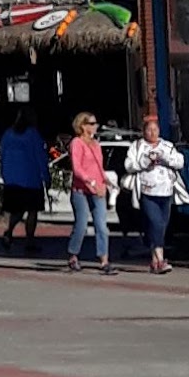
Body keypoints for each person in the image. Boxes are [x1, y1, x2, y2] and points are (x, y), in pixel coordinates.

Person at [130, 106, 187, 273]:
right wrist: (146, 162)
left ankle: (154, 261)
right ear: (144, 132)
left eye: (155, 130)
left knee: (162, 225)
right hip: (148, 191)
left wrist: (165, 158)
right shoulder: (138, 147)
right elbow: (130, 165)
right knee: (156, 223)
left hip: (166, 191)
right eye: (149, 130)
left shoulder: (167, 146)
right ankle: (161, 260)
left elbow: (180, 162)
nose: (152, 133)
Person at [65, 112, 110, 272]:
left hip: (97, 190)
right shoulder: (76, 143)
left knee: (101, 225)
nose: (95, 126)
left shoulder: (96, 144)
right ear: (82, 126)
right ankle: (73, 254)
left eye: (95, 123)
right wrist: (91, 182)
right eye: (91, 123)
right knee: (82, 224)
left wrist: (105, 180)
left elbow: (99, 166)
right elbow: (77, 169)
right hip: (81, 190)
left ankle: (104, 260)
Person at [0, 112, 51, 248]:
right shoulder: (33, 135)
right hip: (31, 179)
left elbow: (3, 155)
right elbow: (40, 157)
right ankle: (29, 240)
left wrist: (4, 173)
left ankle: (9, 232)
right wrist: (46, 176)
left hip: (12, 179)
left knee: (17, 210)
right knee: (32, 210)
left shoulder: (8, 134)